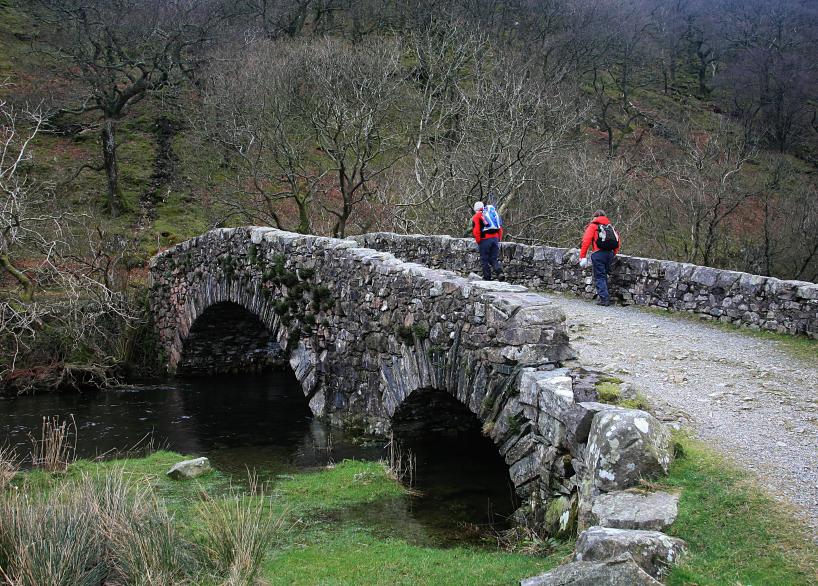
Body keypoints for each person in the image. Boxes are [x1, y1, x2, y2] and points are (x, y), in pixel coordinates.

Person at [579, 210, 620, 306]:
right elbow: (617, 241)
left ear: (595, 217)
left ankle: (604, 299)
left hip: (598, 254)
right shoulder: (610, 227)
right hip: (609, 253)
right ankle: (604, 296)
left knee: (600, 276)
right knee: (604, 275)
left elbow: (586, 241)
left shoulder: (593, 226)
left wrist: (582, 256)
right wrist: (613, 253)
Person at [471, 201, 505, 281]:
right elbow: (500, 228)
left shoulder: (477, 216)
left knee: (484, 259)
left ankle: (487, 277)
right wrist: (498, 239)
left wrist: (479, 241)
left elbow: (476, 230)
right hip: (495, 239)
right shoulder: (493, 213)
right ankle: (499, 272)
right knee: (493, 258)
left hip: (485, 239)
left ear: (475, 209)